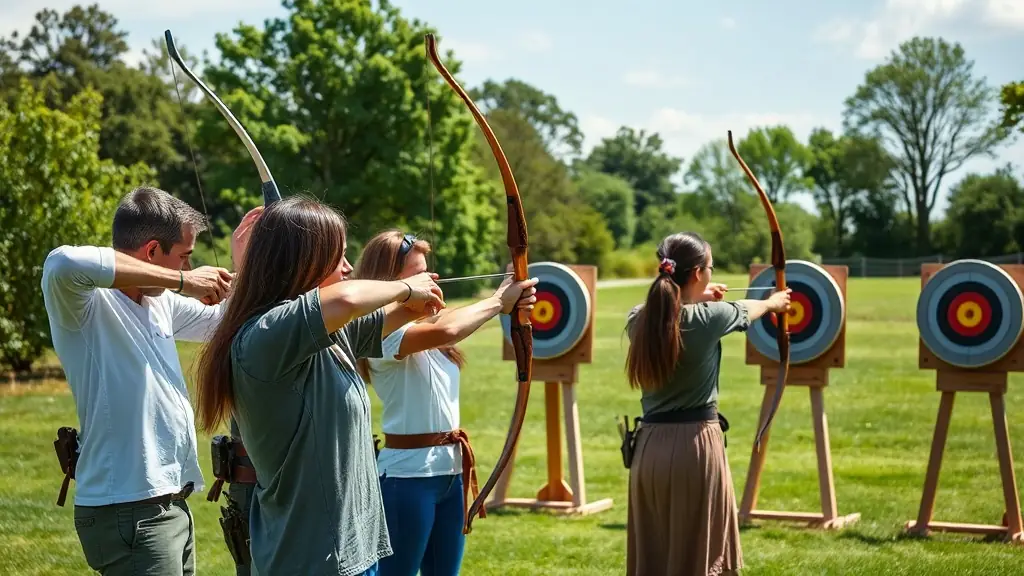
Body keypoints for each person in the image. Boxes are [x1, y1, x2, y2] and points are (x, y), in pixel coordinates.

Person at [192, 195, 446, 576]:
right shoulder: (265, 335)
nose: (347, 268)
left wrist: (494, 302)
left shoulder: (324, 334)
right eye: (339, 257)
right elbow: (345, 297)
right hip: (311, 559)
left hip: (354, 553)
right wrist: (406, 287)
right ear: (303, 262)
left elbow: (390, 314)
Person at [40, 186, 261, 575]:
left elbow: (227, 318)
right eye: (184, 257)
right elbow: (63, 263)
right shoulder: (85, 305)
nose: (188, 270)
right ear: (152, 251)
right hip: (129, 508)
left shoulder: (159, 302)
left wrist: (249, 260)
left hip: (166, 503)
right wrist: (181, 282)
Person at [352, 230, 537, 576]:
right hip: (407, 478)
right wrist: (500, 301)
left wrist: (509, 300)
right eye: (419, 274)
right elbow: (450, 330)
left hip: (450, 475)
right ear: (387, 283)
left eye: (429, 270)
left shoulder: (429, 324)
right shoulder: (379, 333)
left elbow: (453, 324)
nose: (432, 279)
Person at [623, 231, 791, 576]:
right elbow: (750, 308)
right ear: (698, 273)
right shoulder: (709, 318)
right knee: (701, 558)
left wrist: (694, 299)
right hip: (695, 449)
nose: (712, 275)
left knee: (657, 556)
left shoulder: (638, 320)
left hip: (648, 452)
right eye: (710, 268)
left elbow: (664, 314)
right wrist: (774, 303)